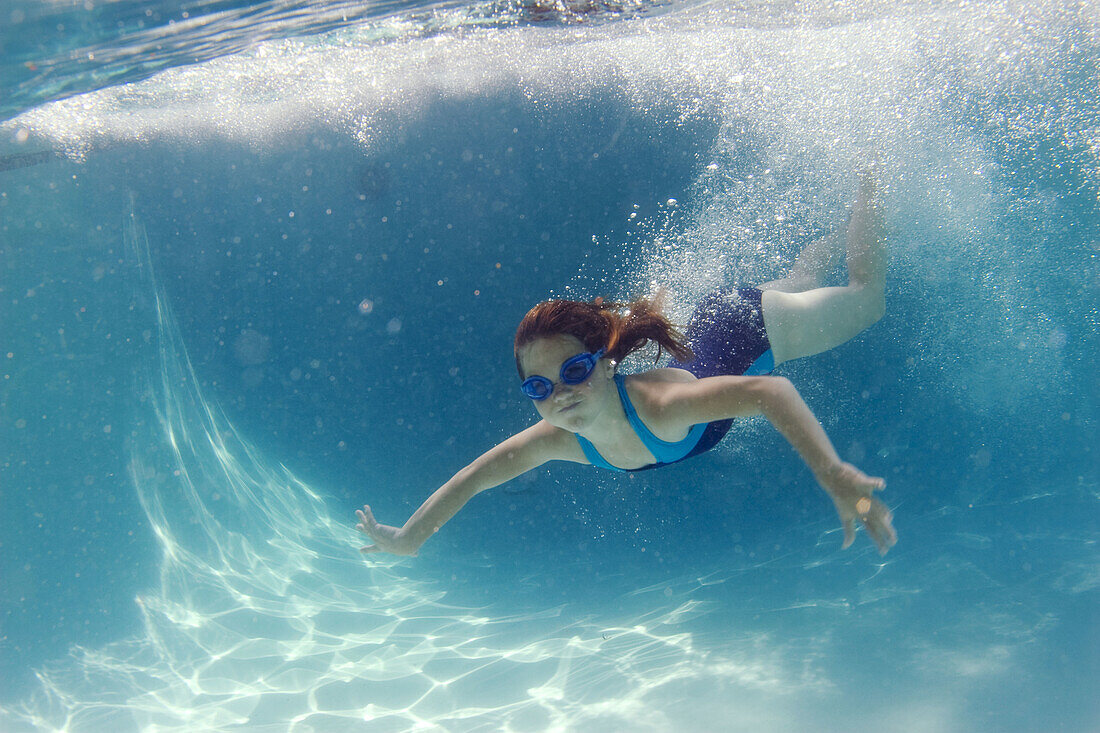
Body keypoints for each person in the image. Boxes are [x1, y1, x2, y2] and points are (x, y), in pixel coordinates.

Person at [356, 169, 897, 557]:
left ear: (607, 363)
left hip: (748, 328)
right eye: (539, 388)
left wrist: (831, 471)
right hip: (716, 321)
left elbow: (770, 394)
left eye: (573, 372)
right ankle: (812, 262)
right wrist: (408, 539)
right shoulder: (555, 436)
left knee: (868, 300)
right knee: (801, 286)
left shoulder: (660, 409)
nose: (560, 395)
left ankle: (872, 180)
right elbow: (472, 478)